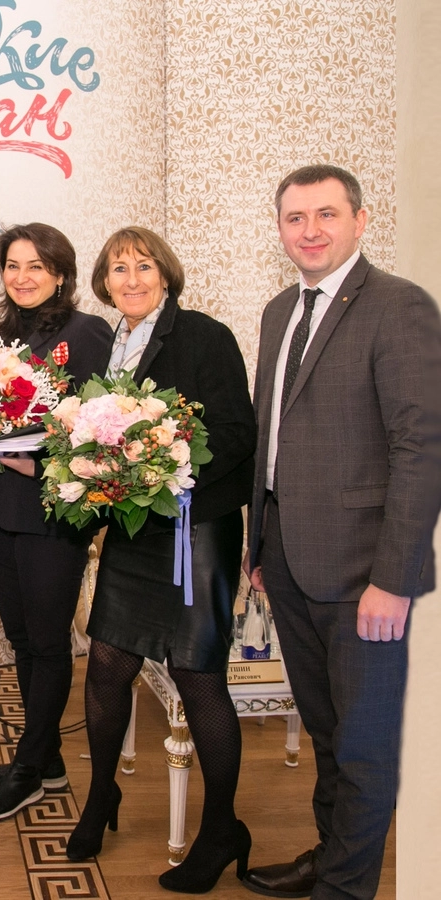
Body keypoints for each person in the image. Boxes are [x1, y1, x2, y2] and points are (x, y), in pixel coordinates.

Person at [242, 165, 441, 900]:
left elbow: (422, 449)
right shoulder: (279, 312)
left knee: (363, 746)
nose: (310, 231)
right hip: (289, 562)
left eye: (326, 214)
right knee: (326, 732)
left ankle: (347, 889)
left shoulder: (399, 306)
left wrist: (394, 578)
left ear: (360, 220)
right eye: (295, 218)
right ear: (280, 229)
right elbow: (272, 438)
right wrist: (260, 548)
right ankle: (330, 858)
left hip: (364, 573)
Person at [68, 227, 257, 895]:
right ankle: (102, 795)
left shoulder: (204, 335)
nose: (131, 279)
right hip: (134, 531)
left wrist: (166, 469)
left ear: (166, 274)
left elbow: (236, 432)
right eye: (118, 269)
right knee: (106, 663)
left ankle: (221, 829)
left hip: (194, 531)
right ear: (104, 282)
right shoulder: (107, 348)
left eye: (143, 266)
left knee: (197, 677)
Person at [0, 224, 112, 820]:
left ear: (60, 274)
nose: (22, 276)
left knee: (49, 642)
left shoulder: (88, 332)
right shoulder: (0, 337)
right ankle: (45, 757)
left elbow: (102, 426)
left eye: (36, 266)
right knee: (23, 638)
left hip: (53, 511)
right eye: (12, 265)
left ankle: (28, 769)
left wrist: (40, 462)